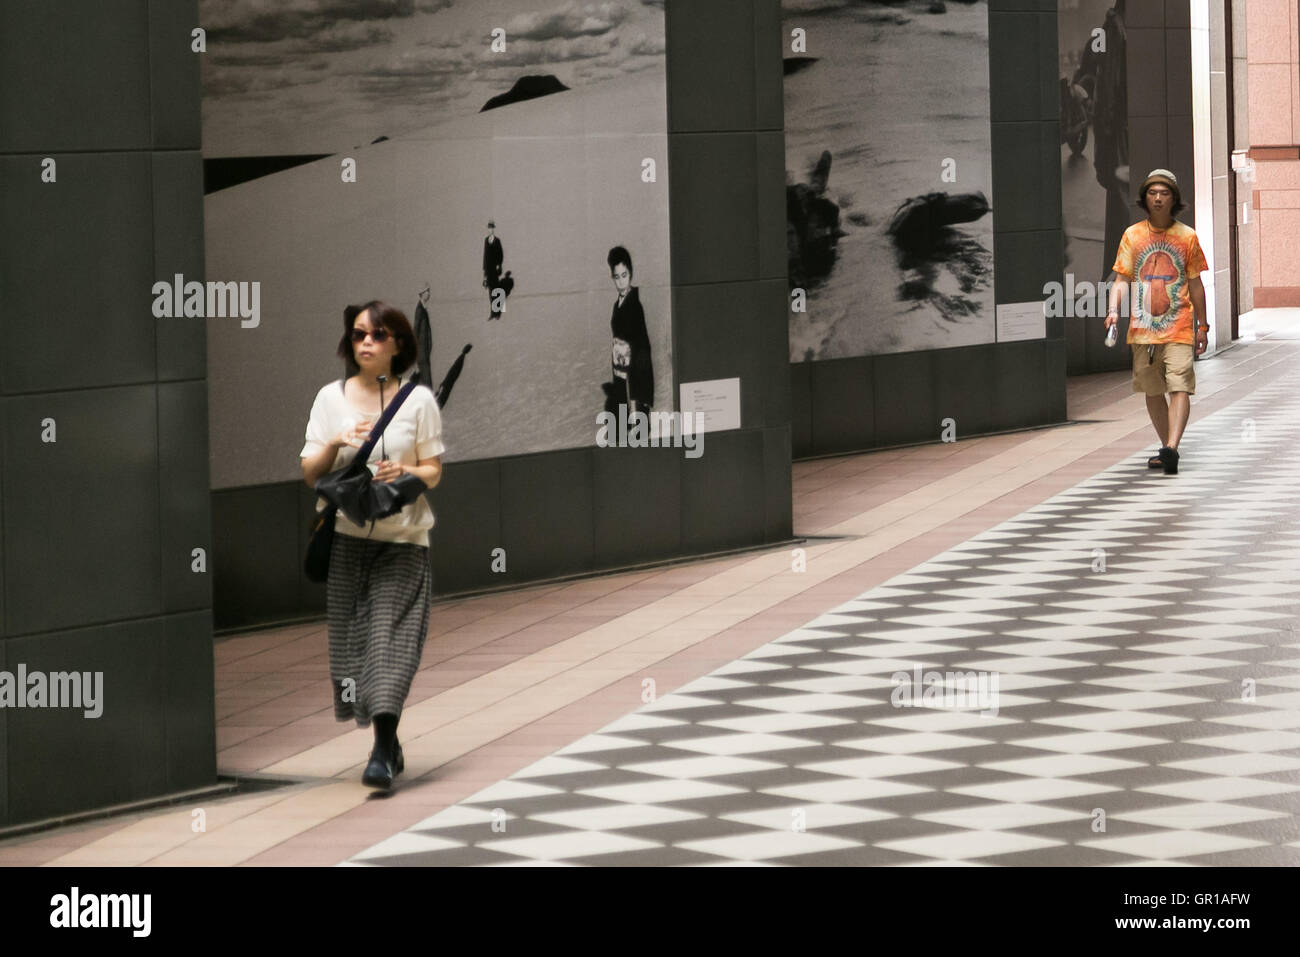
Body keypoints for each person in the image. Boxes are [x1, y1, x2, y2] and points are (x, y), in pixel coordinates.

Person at [300, 301, 445, 788]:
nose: (366, 342)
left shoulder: (419, 401)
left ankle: (382, 749)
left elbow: (434, 472)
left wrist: (405, 471)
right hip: (347, 541)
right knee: (352, 650)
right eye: (359, 334)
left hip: (404, 541)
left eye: (378, 335)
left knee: (388, 641)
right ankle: (390, 740)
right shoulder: (329, 399)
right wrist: (336, 442)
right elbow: (309, 474)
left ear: (398, 345)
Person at [1105, 169, 1208, 475]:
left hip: (1178, 325)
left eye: (1164, 193)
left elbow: (1196, 284)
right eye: (1153, 193)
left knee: (1179, 386)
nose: (1158, 198)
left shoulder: (1187, 237)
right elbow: (1121, 279)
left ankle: (1171, 448)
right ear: (1145, 198)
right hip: (1143, 329)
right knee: (1152, 391)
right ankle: (1168, 448)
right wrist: (1113, 309)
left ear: (1174, 198)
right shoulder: (1132, 235)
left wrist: (1202, 326)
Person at [604, 245, 654, 416]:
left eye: (624, 275)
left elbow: (642, 348)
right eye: (616, 277)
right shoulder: (617, 305)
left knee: (637, 431)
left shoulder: (634, 306)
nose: (621, 281)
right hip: (622, 373)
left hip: (635, 377)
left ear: (630, 273)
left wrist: (636, 399)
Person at [483, 221, 504, 319]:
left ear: (493, 229)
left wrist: (499, 264)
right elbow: (485, 256)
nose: (490, 230)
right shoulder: (486, 240)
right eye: (489, 228)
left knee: (497, 290)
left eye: (492, 228)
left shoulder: (497, 240)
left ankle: (498, 313)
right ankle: (492, 313)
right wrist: (484, 272)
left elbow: (501, 254)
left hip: (495, 269)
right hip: (488, 269)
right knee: (491, 291)